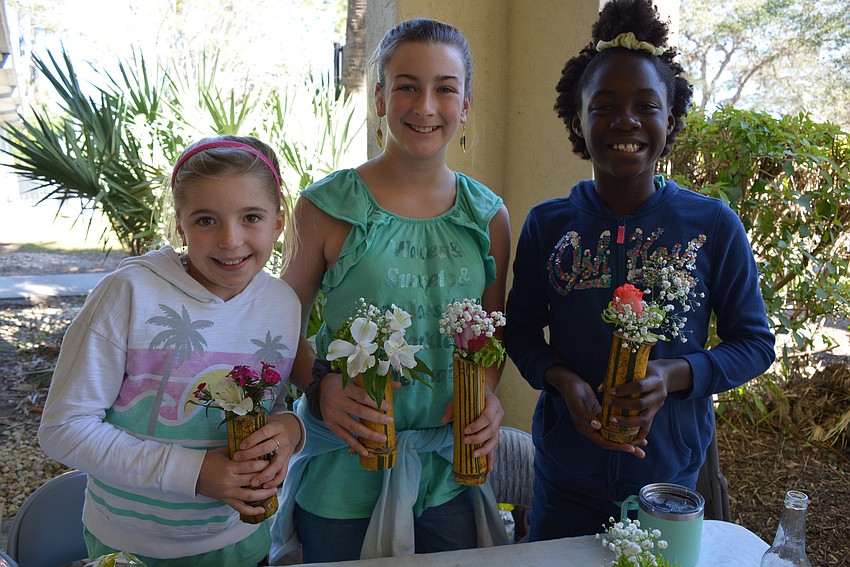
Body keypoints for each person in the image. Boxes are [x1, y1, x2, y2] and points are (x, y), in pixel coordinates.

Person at [504, 0, 775, 540]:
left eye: (645, 106)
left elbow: (755, 343)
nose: (625, 120)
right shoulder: (548, 225)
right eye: (603, 105)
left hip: (668, 487)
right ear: (577, 120)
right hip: (564, 484)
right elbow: (522, 332)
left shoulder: (712, 225)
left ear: (669, 120)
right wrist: (562, 381)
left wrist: (673, 375)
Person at [269, 17, 511, 564]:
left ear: (466, 104)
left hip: (449, 473)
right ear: (379, 98)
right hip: (343, 473)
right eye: (406, 86)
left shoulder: (488, 216)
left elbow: (492, 334)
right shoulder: (327, 207)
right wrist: (321, 389)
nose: (425, 106)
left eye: (445, 88)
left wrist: (486, 396)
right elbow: (281, 328)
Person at [38, 135, 306, 566]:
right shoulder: (128, 294)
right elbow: (64, 428)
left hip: (242, 543)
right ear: (181, 225)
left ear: (278, 222)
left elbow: (268, 405)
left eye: (251, 217)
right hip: (130, 547)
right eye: (206, 220)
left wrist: (291, 428)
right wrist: (193, 473)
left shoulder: (283, 305)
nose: (230, 240)